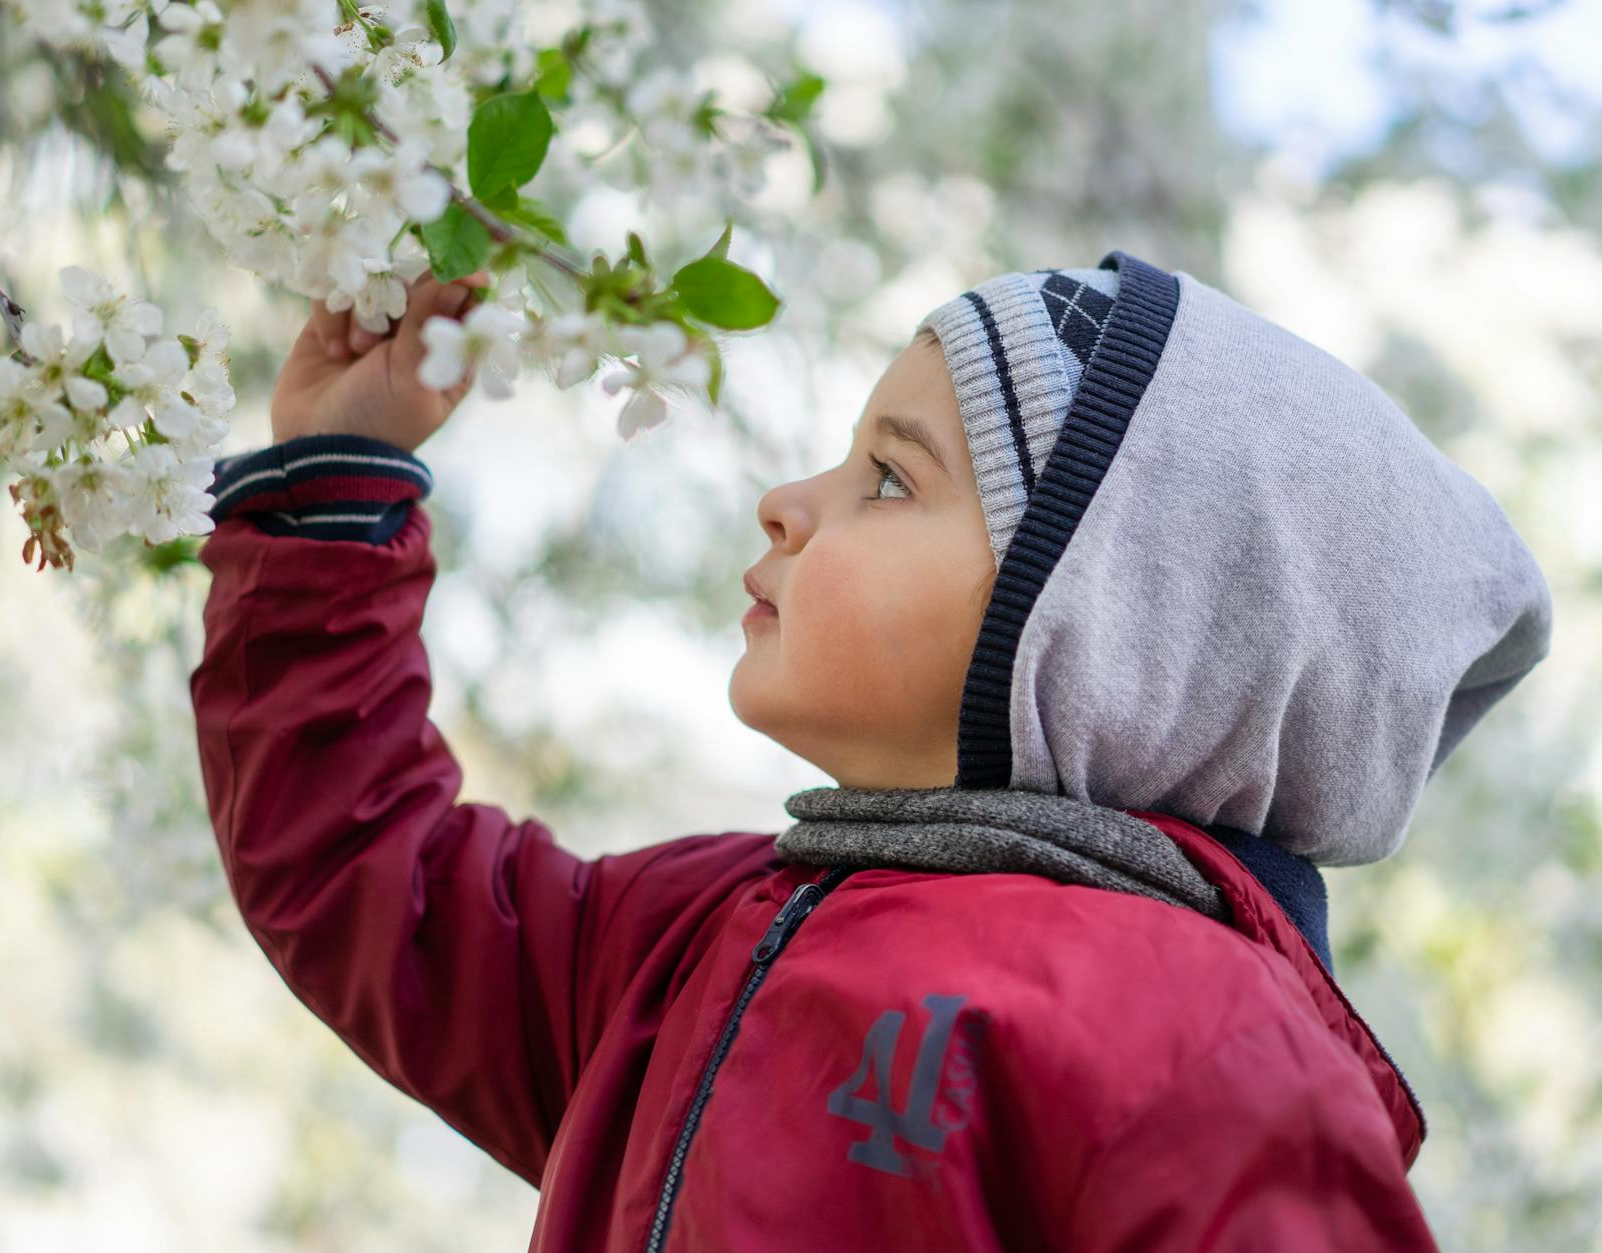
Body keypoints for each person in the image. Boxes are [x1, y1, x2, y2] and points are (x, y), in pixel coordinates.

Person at [188, 250, 1553, 1250]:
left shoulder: (1199, 1046)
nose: (788, 501)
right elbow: (376, 879)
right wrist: (337, 481)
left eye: (890, 479)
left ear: (1113, 643)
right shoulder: (686, 934)